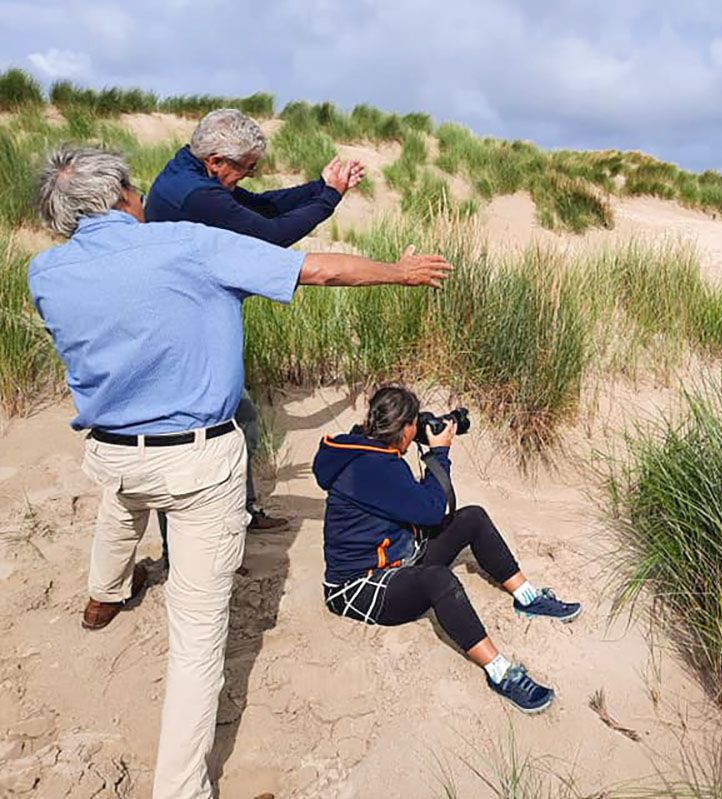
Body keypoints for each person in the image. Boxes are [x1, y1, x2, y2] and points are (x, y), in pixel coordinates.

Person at [29, 146, 452, 798]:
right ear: (123, 196)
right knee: (198, 640)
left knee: (123, 503)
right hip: (195, 458)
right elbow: (316, 272)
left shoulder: (45, 273)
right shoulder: (186, 245)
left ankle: (102, 597)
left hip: (111, 449)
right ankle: (182, 790)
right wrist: (398, 271)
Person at [146, 108, 367, 533]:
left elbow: (262, 206)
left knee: (241, 415)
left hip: (196, 321)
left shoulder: (191, 172)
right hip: (179, 331)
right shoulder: (195, 194)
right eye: (245, 169)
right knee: (189, 439)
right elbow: (271, 238)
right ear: (216, 161)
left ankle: (240, 514)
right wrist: (329, 200)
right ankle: (200, 534)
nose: (246, 177)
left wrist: (323, 187)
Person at [312, 385, 581, 714]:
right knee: (439, 580)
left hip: (400, 557)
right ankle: (500, 672)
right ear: (406, 428)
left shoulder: (360, 446)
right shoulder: (376, 468)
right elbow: (430, 511)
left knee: (472, 518)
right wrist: (439, 453)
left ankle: (527, 596)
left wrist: (420, 434)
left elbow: (417, 503)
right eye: (414, 425)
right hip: (359, 588)